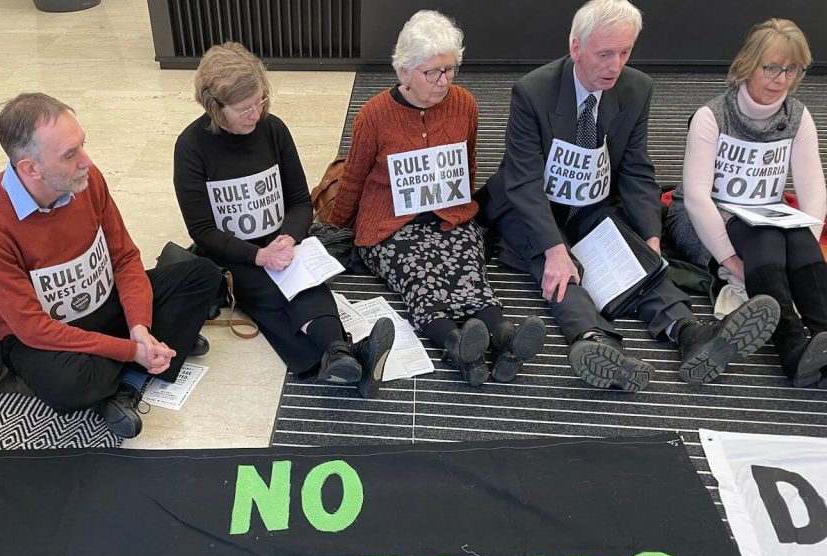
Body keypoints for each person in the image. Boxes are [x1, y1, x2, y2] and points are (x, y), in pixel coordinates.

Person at [481, 0, 780, 392]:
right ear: (576, 48)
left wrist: (650, 238)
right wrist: (555, 248)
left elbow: (636, 168)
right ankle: (593, 340)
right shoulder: (533, 92)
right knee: (557, 265)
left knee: (634, 256)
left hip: (592, 199)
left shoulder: (637, 89)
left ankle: (688, 332)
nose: (615, 65)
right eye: (605, 54)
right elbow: (522, 179)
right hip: (531, 202)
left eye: (625, 52)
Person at [0, 92, 224, 438]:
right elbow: (31, 328)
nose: (86, 160)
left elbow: (125, 257)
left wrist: (140, 327)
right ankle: (151, 356)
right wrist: (130, 348)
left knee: (202, 274)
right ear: (30, 168)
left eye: (82, 145)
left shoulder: (86, 179)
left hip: (104, 301)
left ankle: (131, 372)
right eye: (70, 155)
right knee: (68, 385)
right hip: (45, 334)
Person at [327, 10, 545, 387]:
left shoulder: (465, 104)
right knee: (421, 275)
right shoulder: (374, 115)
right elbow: (353, 178)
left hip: (450, 216)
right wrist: (333, 229)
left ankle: (506, 338)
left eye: (450, 70)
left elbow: (468, 164)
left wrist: (460, 209)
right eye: (433, 72)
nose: (443, 81)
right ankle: (457, 343)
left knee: (469, 271)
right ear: (405, 72)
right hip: (389, 224)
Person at [173, 42, 394, 398]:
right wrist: (258, 256)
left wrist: (289, 238)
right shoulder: (191, 147)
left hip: (280, 238)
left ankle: (339, 355)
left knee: (305, 282)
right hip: (232, 252)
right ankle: (345, 355)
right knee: (269, 292)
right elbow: (201, 230)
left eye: (260, 101)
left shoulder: (273, 130)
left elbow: (299, 202)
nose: (256, 114)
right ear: (216, 108)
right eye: (244, 108)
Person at [665, 19, 827, 387]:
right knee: (766, 235)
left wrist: (803, 238)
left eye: (791, 69)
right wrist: (730, 261)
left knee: (796, 236)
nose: (780, 79)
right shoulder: (712, 116)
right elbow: (695, 198)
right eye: (771, 67)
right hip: (706, 218)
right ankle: (792, 347)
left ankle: (822, 336)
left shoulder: (798, 118)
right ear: (747, 65)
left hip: (765, 213)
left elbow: (814, 190)